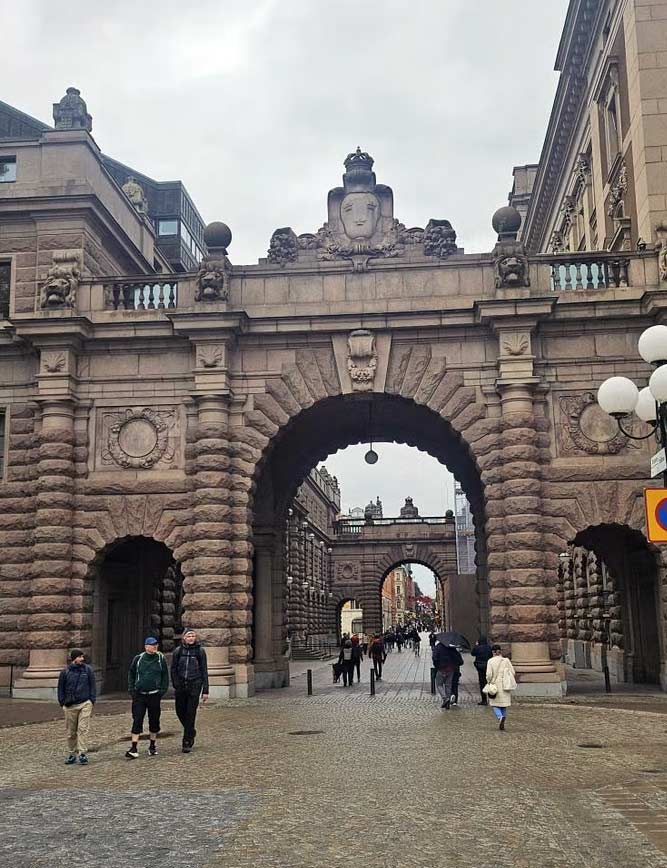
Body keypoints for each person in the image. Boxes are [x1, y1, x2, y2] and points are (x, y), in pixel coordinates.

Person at [125, 637, 169, 759]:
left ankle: (152, 745)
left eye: (155, 645)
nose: (154, 647)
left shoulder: (160, 658)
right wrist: (132, 690)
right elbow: (131, 673)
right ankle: (134, 747)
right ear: (146, 646)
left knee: (154, 720)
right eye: (151, 645)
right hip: (140, 695)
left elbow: (165, 675)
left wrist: (162, 690)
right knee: (137, 719)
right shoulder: (138, 659)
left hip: (154, 694)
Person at [171, 628, 209, 753]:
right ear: (184, 638)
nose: (191, 638)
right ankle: (191, 730)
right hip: (181, 685)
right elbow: (173, 669)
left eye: (193, 636)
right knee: (180, 711)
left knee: (190, 712)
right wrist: (176, 683)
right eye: (189, 636)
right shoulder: (178, 651)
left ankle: (186, 740)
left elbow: (204, 671)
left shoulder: (200, 651)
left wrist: (205, 690)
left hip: (195, 684)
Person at [57, 648, 96, 765]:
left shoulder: (88, 670)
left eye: (82, 657)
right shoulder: (65, 672)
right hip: (70, 705)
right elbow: (61, 688)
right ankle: (72, 753)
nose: (82, 659)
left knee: (83, 729)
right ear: (74, 658)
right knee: (71, 732)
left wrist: (91, 700)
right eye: (80, 657)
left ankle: (82, 753)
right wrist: (62, 702)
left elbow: (92, 685)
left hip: (85, 703)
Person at [485, 644, 516, 730]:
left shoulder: (490, 661)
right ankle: (503, 719)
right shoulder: (506, 660)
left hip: (495, 685)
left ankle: (500, 717)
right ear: (500, 651)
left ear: (493, 652)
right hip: (505, 685)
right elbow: (513, 672)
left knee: (494, 703)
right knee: (503, 704)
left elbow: (489, 675)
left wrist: (489, 681)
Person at [432, 641, 464, 709]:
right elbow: (458, 659)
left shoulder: (438, 647)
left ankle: (445, 699)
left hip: (441, 669)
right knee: (448, 685)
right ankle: (448, 703)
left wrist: (437, 666)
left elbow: (434, 658)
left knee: (439, 684)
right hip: (450, 669)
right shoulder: (451, 648)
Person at [471, 636, 493, 705]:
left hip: (480, 667)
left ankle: (484, 700)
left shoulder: (477, 648)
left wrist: (476, 645)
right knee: (489, 682)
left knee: (482, 683)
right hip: (488, 667)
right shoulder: (489, 647)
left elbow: (472, 653)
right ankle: (491, 698)